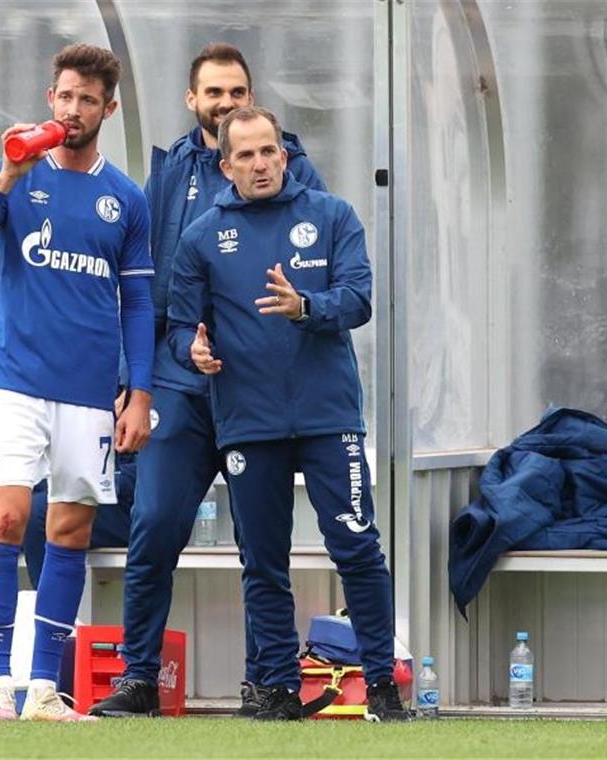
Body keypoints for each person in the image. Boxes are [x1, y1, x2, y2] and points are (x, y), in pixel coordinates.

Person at [89, 42, 327, 719]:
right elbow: (141, 289)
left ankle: (270, 682)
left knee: (263, 544)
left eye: (236, 93)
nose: (225, 104)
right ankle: (139, 679)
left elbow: (320, 268)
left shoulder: (294, 169)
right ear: (193, 101)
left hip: (257, 392)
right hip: (179, 382)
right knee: (156, 523)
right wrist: (135, 379)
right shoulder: (167, 175)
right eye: (213, 93)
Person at [165, 106, 410, 722]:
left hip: (330, 417)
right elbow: (175, 327)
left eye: (268, 151)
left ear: (285, 154)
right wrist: (193, 351)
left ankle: (380, 684)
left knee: (356, 548)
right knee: (264, 561)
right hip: (248, 420)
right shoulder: (201, 236)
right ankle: (275, 687)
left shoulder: (332, 216)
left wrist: (304, 307)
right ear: (226, 166)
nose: (260, 163)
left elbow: (358, 301)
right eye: (245, 155)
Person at [0, 43, 154, 722]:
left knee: (69, 531)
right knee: (6, 516)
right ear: (50, 98)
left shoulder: (124, 198)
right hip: (15, 379)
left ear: (108, 110)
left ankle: (43, 690)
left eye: (87, 100)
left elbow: (141, 304)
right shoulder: (13, 171)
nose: (73, 110)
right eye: (65, 96)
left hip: (90, 391)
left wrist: (140, 393)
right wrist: (5, 177)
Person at [0, 452, 135, 623]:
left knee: (42, 512)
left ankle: (51, 644)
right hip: (36, 489)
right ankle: (6, 638)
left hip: (118, 500)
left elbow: (151, 468)